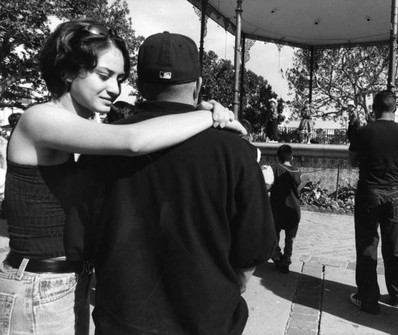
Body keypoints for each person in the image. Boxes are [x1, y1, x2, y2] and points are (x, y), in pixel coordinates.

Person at [0, 19, 242, 335]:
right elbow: (134, 141)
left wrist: (202, 110)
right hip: (38, 283)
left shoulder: (83, 128)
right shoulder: (40, 119)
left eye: (120, 78)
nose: (115, 89)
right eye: (104, 76)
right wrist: (207, 115)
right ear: (68, 71)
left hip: (67, 281)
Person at [72, 31, 276, 334]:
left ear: (139, 85)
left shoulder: (103, 145)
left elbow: (81, 242)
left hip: (122, 323)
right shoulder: (232, 151)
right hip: (207, 323)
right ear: (198, 86)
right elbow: (253, 249)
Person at [348, 90, 398, 314]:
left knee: (367, 245)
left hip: (369, 192)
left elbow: (352, 161)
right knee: (395, 246)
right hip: (395, 193)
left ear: (374, 108)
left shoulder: (365, 132)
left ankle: (368, 299)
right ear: (394, 108)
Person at [270, 144, 302, 273]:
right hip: (293, 210)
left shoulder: (274, 168)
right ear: (292, 157)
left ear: (277, 157)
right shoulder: (298, 171)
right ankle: (286, 259)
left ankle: (277, 256)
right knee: (290, 239)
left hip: (276, 209)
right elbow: (298, 187)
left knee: (273, 235)